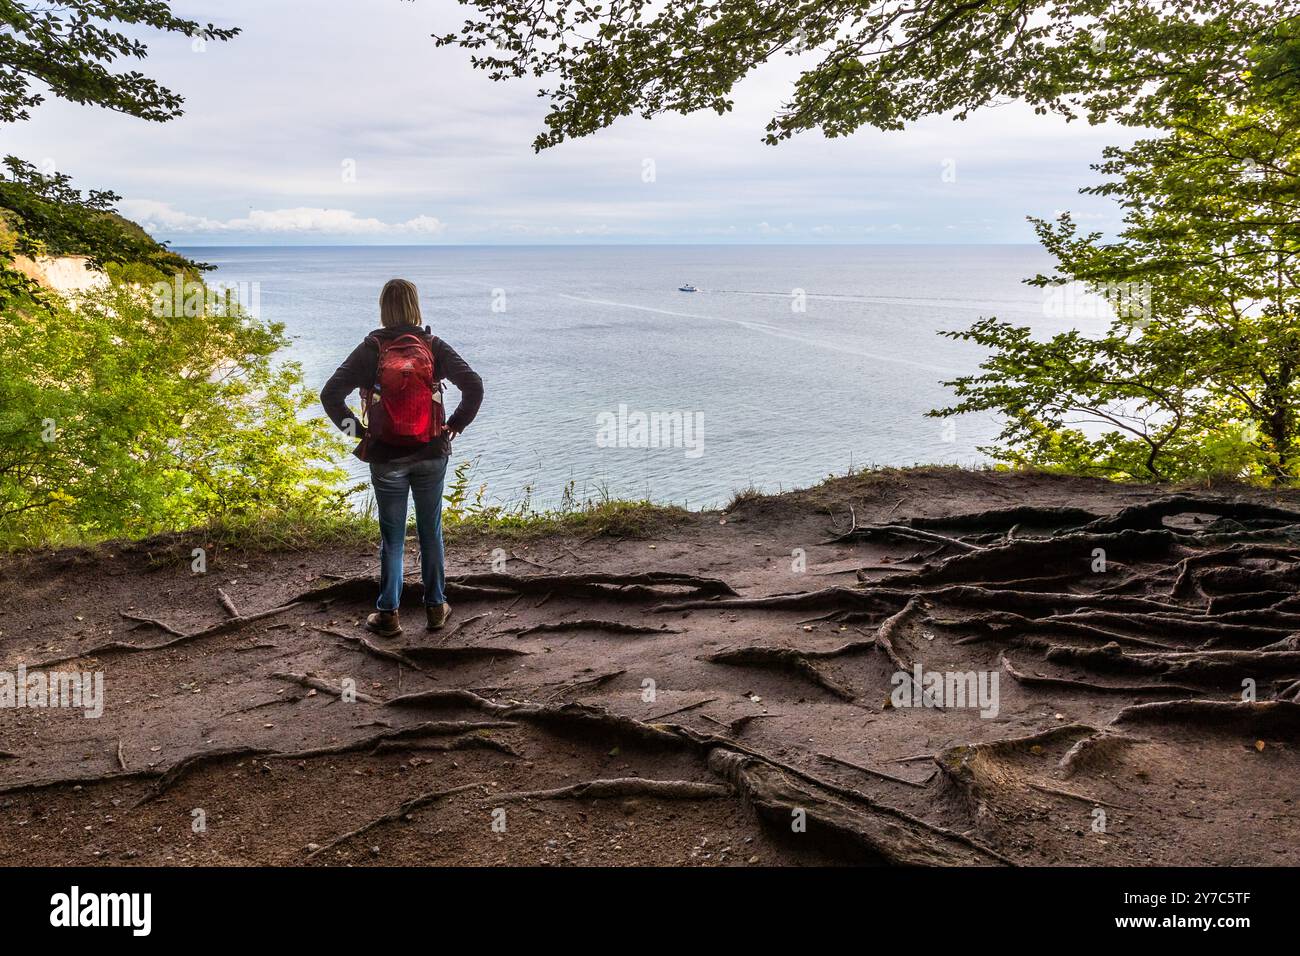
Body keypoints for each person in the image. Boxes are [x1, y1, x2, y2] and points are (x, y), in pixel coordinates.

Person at [321, 278, 483, 637]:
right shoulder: (432, 346)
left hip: (386, 457)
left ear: (384, 308)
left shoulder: (371, 349)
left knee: (392, 539)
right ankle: (435, 608)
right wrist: (455, 426)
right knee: (431, 533)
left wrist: (359, 434)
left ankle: (389, 613)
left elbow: (330, 394)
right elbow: (474, 385)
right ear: (415, 306)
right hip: (431, 452)